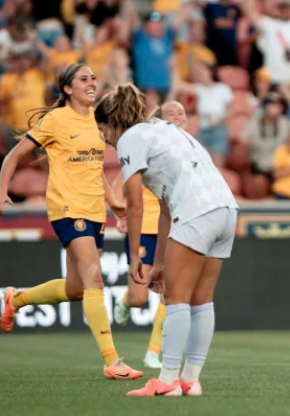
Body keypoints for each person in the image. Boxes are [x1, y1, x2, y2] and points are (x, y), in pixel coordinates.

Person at [94, 83, 239, 397]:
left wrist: (135, 256)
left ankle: (168, 380)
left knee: (176, 299)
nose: (103, 138)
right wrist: (158, 262)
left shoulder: (130, 139)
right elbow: (162, 208)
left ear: (112, 123)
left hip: (196, 211)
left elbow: (134, 204)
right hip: (226, 208)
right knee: (202, 300)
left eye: (102, 129)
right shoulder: (164, 128)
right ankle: (190, 380)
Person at [0, 64, 142, 380]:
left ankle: (16, 298)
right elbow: (14, 157)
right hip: (67, 209)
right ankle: (112, 361)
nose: (91, 82)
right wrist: (1, 190)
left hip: (94, 212)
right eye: (83, 79)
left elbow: (93, 170)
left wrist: (115, 204)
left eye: (93, 77)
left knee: (76, 289)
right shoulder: (55, 120)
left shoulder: (96, 121)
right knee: (96, 280)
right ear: (68, 89)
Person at [111, 101, 189, 371]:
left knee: (170, 293)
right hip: (145, 226)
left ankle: (153, 353)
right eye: (171, 113)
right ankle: (126, 300)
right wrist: (120, 215)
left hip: (173, 228)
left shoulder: (190, 151)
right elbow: (116, 185)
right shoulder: (148, 149)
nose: (178, 116)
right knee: (139, 298)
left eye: (182, 113)